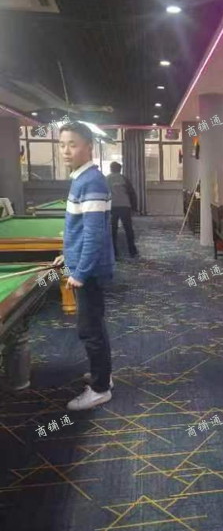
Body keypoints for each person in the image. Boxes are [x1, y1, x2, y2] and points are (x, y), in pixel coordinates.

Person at [53, 122, 114, 410]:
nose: (66, 150)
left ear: (88, 146)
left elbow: (94, 234)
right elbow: (79, 231)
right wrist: (67, 256)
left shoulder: (91, 181)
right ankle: (104, 376)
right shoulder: (82, 178)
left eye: (73, 144)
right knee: (94, 326)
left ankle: (100, 389)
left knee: (89, 330)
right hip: (82, 266)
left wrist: (80, 271)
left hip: (88, 272)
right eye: (62, 144)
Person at [107, 161, 138, 258]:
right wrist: (134, 208)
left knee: (113, 230)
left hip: (112, 207)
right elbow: (132, 193)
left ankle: (114, 252)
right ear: (120, 169)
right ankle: (132, 251)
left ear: (111, 169)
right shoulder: (124, 179)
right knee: (128, 229)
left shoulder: (106, 179)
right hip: (125, 206)